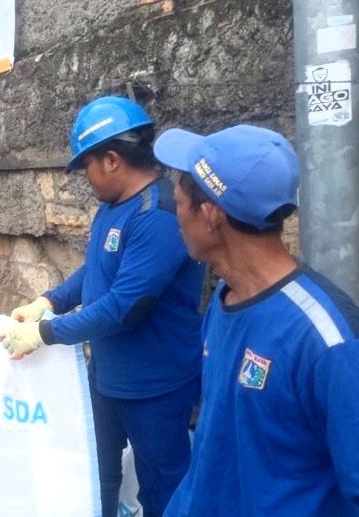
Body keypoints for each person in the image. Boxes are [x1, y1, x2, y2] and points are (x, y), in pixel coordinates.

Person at [0, 96, 205, 517]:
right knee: (97, 472)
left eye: (86, 165)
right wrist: (48, 301)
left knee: (163, 487)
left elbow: (124, 307)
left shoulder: (158, 214)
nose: (85, 177)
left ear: (112, 160)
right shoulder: (113, 207)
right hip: (109, 376)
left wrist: (44, 333)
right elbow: (95, 272)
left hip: (154, 385)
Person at [153, 124, 359, 516]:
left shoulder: (327, 340)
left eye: (178, 199)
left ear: (210, 215)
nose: (173, 210)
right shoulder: (225, 296)